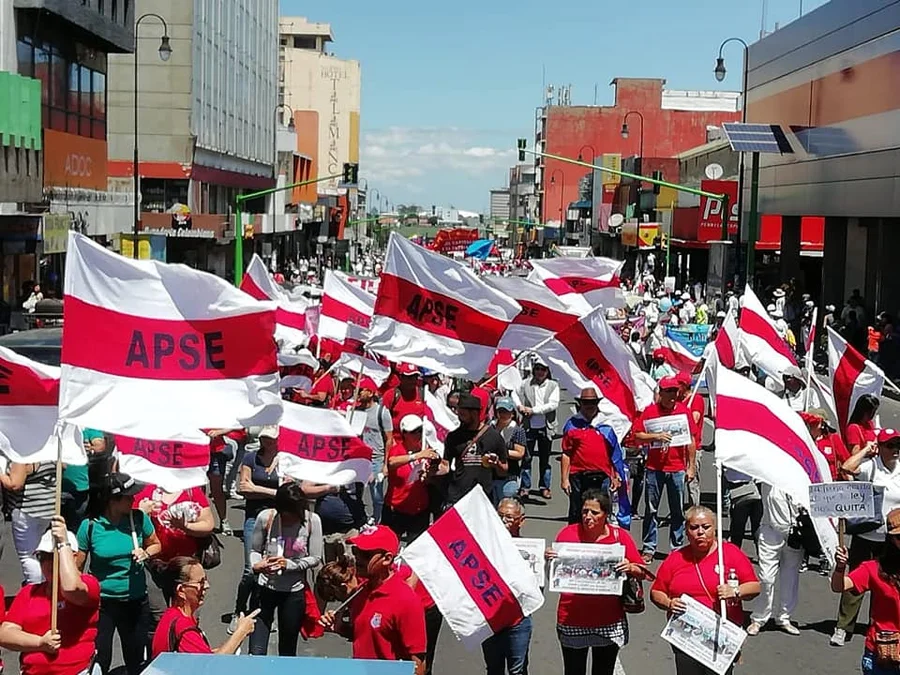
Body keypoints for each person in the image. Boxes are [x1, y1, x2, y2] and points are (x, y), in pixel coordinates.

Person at [650, 506, 760, 675]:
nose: (700, 532)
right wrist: (669, 603)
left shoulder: (730, 553)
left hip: (721, 635)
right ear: (686, 531)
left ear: (715, 528)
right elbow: (657, 592)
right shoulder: (676, 558)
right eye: (694, 528)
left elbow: (754, 586)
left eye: (705, 527)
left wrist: (735, 591)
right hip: (686, 638)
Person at [546, 490, 646, 675]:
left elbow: (642, 572)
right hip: (572, 618)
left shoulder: (620, 537)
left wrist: (630, 567)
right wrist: (549, 561)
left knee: (604, 671)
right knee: (573, 671)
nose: (588, 517)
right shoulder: (567, 534)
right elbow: (553, 577)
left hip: (609, 620)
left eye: (594, 512)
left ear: (606, 514)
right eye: (585, 511)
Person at [75, 473, 161, 675]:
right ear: (112, 500)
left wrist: (146, 552)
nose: (133, 500)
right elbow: (77, 567)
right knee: (99, 658)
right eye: (128, 496)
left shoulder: (139, 519)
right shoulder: (90, 527)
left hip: (135, 601)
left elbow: (156, 544)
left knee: (136, 657)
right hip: (102, 604)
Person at [319, 526, 427, 674]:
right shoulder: (361, 591)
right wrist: (339, 627)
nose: (357, 558)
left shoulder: (406, 600)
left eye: (365, 554)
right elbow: (366, 636)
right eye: (356, 551)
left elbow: (417, 663)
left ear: (387, 559)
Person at [0, 517, 100, 675]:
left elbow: (70, 587)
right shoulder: (29, 592)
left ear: (72, 556)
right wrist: (40, 643)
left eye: (53, 556)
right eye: (42, 557)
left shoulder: (89, 584)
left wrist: (63, 544)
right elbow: (5, 633)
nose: (47, 563)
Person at [831, 427, 900, 647]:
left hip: (891, 540)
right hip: (867, 535)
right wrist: (865, 451)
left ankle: (878, 625)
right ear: (879, 447)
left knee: (887, 586)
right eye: (890, 445)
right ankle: (843, 627)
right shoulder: (872, 466)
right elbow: (846, 468)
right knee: (855, 583)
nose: (895, 450)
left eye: (898, 445)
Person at [249, 482, 323, 656]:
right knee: (256, 649)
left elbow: (315, 557)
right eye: (284, 514)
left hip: (293, 591)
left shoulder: (312, 521)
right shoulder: (266, 518)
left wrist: (289, 565)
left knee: (287, 648)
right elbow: (255, 550)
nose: (289, 519)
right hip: (265, 587)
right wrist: (257, 564)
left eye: (293, 515)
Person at [136, 481, 215, 639]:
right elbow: (129, 522)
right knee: (158, 617)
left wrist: (185, 527)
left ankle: (187, 649)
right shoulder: (146, 491)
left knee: (188, 615)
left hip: (187, 567)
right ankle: (159, 653)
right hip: (155, 565)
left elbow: (208, 524)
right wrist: (141, 512)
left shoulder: (191, 491)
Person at [633, 376, 696, 563]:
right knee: (651, 510)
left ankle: (676, 548)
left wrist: (691, 467)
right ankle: (649, 547)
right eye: (668, 391)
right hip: (655, 468)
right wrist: (656, 436)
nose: (672, 395)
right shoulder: (650, 411)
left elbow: (691, 440)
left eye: (674, 391)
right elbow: (637, 436)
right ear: (660, 393)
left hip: (677, 468)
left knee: (677, 510)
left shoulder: (684, 412)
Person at [832, 508, 900, 675]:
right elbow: (839, 586)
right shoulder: (872, 568)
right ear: (891, 540)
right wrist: (840, 567)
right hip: (884, 653)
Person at [151, 556, 257, 658]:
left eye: (205, 580)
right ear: (181, 591)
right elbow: (211, 665)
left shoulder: (171, 615)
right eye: (200, 583)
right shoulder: (184, 629)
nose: (207, 586)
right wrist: (241, 632)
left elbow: (201, 655)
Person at [229, 426, 280, 634]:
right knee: (251, 569)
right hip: (253, 518)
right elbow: (243, 488)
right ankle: (239, 611)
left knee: (273, 569)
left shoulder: (285, 461)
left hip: (277, 519)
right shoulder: (251, 458)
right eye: (263, 438)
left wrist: (259, 489)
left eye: (270, 439)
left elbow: (287, 490)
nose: (266, 442)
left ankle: (265, 611)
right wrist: (274, 493)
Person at [483, 499, 534, 675]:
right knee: (493, 669)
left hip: (519, 620)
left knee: (518, 670)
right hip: (491, 617)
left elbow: (537, 589)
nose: (504, 521)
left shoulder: (531, 550)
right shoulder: (483, 545)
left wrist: (546, 560)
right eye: (500, 516)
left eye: (510, 517)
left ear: (521, 520)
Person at [746, 484, 803, 636]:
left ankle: (784, 617)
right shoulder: (768, 476)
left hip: (795, 533)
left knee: (790, 577)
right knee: (766, 578)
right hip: (770, 531)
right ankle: (759, 618)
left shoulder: (799, 476)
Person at [560, 388, 622, 525]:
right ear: (580, 404)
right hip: (578, 476)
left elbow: (614, 453)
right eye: (586, 402)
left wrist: (616, 475)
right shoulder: (572, 425)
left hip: (602, 475)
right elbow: (566, 453)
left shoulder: (606, 424)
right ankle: (575, 542)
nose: (589, 405)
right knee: (577, 511)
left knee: (600, 510)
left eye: (593, 402)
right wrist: (564, 479)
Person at [441, 393, 508, 508]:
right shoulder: (453, 437)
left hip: (483, 497)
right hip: (458, 496)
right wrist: (433, 468)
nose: (459, 417)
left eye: (463, 414)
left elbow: (504, 470)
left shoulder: (493, 436)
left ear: (474, 413)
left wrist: (496, 464)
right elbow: (445, 465)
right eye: (459, 414)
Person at [1, 460, 57, 584]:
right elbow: (63, 467)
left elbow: (15, 483)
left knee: (28, 555)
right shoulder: (50, 446)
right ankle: (45, 584)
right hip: (47, 508)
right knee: (41, 552)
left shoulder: (23, 452)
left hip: (27, 509)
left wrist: (1, 475)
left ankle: (36, 587)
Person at [383, 414, 437, 542]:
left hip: (419, 510)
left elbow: (428, 479)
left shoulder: (425, 450)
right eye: (414, 432)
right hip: (396, 509)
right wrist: (416, 456)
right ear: (404, 434)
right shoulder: (398, 450)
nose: (418, 434)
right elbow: (391, 462)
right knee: (390, 546)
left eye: (420, 430)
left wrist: (429, 474)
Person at [512, 356, 560, 500]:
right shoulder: (526, 383)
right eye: (537, 369)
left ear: (547, 371)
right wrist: (519, 406)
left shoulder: (553, 385)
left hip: (546, 427)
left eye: (543, 370)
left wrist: (533, 410)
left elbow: (553, 404)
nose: (540, 372)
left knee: (545, 459)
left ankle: (545, 487)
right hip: (529, 426)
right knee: (527, 458)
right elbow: (514, 393)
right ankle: (525, 487)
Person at [358, 376, 393, 523]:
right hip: (360, 460)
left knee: (376, 495)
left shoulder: (382, 412)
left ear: (371, 393)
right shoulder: (356, 411)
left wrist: (385, 464)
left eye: (361, 390)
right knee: (357, 491)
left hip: (376, 460)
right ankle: (360, 519)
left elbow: (389, 439)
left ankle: (377, 521)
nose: (358, 393)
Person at [492, 397, 527, 503]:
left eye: (506, 411)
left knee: (506, 507)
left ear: (512, 413)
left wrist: (502, 452)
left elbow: (520, 453)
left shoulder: (517, 430)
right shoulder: (490, 427)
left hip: (510, 476)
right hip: (490, 476)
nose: (502, 414)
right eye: (500, 411)